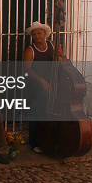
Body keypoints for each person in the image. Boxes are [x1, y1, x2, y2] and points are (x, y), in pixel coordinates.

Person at [23, 21, 55, 153]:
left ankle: (49, 139)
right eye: (34, 34)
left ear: (45, 34)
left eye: (39, 33)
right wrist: (41, 81)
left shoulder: (51, 45)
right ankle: (34, 143)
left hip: (50, 83)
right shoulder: (30, 50)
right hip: (35, 86)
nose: (37, 36)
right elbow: (27, 70)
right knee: (36, 113)